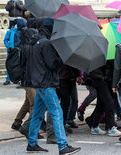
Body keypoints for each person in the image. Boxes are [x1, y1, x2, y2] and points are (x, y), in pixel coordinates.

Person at [25, 17, 80, 154]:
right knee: (57, 112)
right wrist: (62, 56)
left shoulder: (34, 42)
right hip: (46, 83)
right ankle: (63, 146)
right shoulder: (46, 43)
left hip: (37, 82)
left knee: (37, 113)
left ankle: (32, 143)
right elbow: (53, 64)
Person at [89, 60, 121, 137]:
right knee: (109, 102)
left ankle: (94, 126)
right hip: (101, 79)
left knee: (101, 104)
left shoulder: (108, 52)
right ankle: (111, 128)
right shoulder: (98, 53)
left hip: (106, 79)